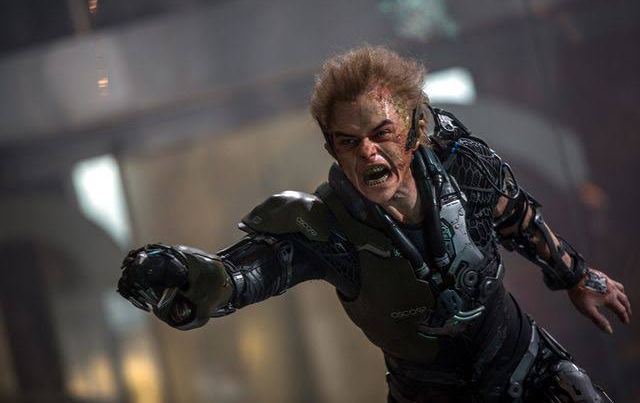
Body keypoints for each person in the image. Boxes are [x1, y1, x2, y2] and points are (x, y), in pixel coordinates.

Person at [117, 46, 631, 402]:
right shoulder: (326, 228)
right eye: (349, 141)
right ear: (332, 149)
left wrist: (576, 275)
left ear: (414, 129)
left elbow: (516, 216)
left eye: (381, 132)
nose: (367, 151)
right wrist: (185, 276)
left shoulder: (460, 162)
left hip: (526, 362)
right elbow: (244, 274)